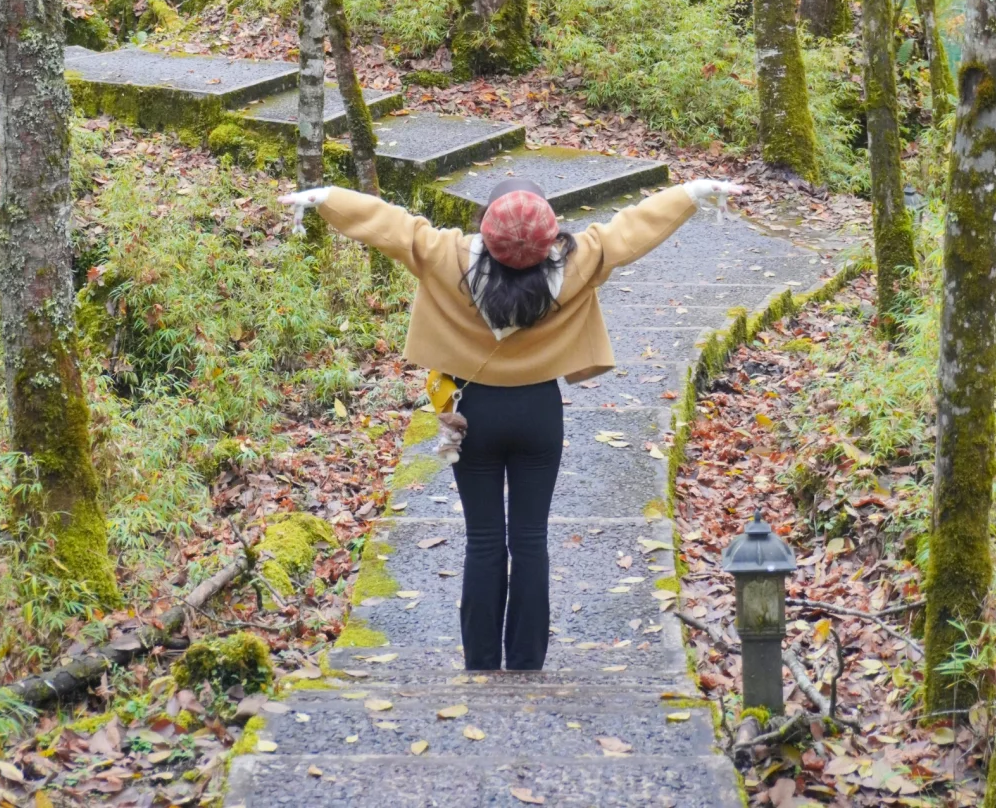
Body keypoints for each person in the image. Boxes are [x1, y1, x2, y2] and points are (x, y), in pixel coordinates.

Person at [280, 174, 740, 673]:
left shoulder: (448, 257)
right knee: (530, 538)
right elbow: (631, 230)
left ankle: (480, 663)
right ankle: (525, 663)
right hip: (538, 413)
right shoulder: (575, 262)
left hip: (472, 415)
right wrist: (693, 192)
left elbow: (391, 225)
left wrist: (326, 198)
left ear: (484, 225)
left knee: (482, 539)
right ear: (549, 235)